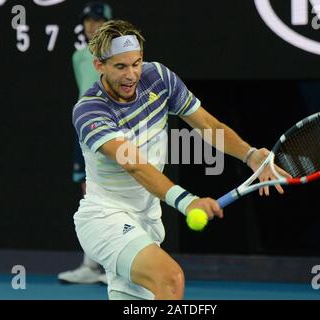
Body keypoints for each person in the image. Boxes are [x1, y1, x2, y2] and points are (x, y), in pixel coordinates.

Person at [72, 19, 287, 300]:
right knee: (170, 279)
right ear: (99, 66)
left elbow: (207, 125)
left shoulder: (159, 78)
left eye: (136, 63)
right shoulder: (90, 110)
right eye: (120, 67)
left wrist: (250, 155)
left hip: (147, 221)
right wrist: (187, 201)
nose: (131, 75)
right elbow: (135, 165)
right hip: (106, 217)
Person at [57, 1, 112, 285]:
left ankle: (117, 265)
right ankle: (91, 265)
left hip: (113, 134)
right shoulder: (79, 56)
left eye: (97, 20)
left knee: (115, 196)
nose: (91, 26)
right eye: (87, 21)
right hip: (84, 135)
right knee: (90, 198)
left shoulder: (119, 57)